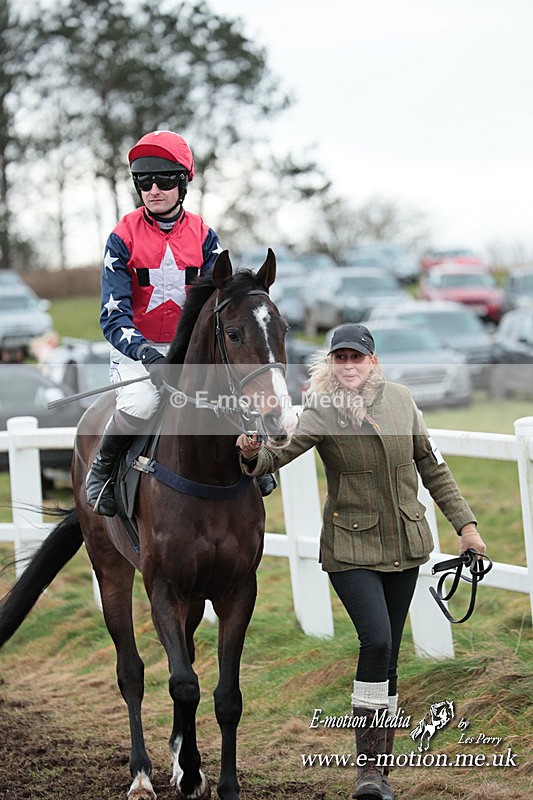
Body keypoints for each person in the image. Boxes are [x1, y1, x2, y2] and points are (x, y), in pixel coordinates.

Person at [237, 323, 486, 800]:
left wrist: (467, 528)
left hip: (405, 545)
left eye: (357, 357)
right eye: (341, 357)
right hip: (350, 549)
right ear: (331, 363)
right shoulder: (321, 409)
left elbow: (433, 467)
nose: (348, 365)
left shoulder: (401, 400)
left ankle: (381, 772)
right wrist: (253, 454)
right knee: (376, 640)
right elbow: (278, 455)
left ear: (373, 361)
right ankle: (367, 770)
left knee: (389, 655)